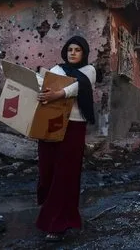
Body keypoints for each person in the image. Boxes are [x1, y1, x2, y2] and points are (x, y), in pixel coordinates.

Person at [35, 36, 96, 242]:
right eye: (70, 49)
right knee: (48, 170)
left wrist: (57, 94)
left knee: (66, 173)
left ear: (84, 53)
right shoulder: (57, 69)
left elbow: (77, 87)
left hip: (74, 126)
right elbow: (42, 84)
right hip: (51, 124)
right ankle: (54, 213)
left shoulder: (89, 71)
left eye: (77, 49)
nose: (73, 53)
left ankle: (57, 222)